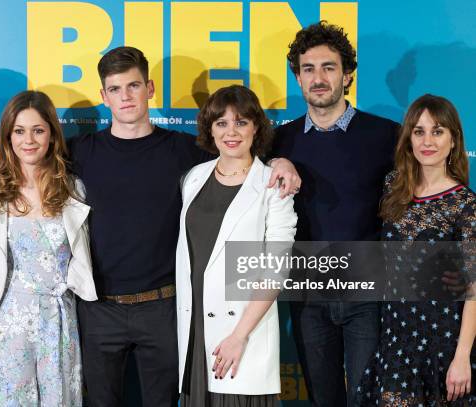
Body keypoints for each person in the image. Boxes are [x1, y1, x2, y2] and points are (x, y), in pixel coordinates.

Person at [0, 46, 301, 407]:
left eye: (133, 86)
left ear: (150, 88)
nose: (125, 97)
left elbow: (238, 157)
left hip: (164, 307)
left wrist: (281, 161)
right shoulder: (79, 153)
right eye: (115, 89)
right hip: (98, 309)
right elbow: (24, 159)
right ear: (104, 96)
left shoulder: (187, 152)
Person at [270, 22, 400, 406]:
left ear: (348, 75)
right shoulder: (281, 140)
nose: (319, 78)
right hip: (308, 295)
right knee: (321, 397)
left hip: (368, 293)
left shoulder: (386, 135)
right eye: (308, 69)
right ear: (297, 77)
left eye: (329, 67)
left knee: (366, 397)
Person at [176, 85, 297, 407]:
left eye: (241, 122)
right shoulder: (194, 178)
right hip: (195, 329)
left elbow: (275, 270)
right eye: (222, 123)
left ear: (256, 127)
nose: (231, 132)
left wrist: (239, 336)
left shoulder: (273, 184)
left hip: (243, 330)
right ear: (210, 130)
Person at [0, 90, 97, 406]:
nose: (28, 140)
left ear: (52, 136)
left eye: (38, 130)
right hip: (7, 320)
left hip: (58, 320)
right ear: (7, 136)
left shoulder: (73, 188)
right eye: (19, 131)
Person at [358, 94, 475, 406]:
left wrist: (462, 356)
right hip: (395, 338)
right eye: (419, 131)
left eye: (438, 131)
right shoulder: (392, 188)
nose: (428, 141)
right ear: (408, 138)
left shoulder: (466, 205)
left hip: (444, 341)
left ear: (454, 140)